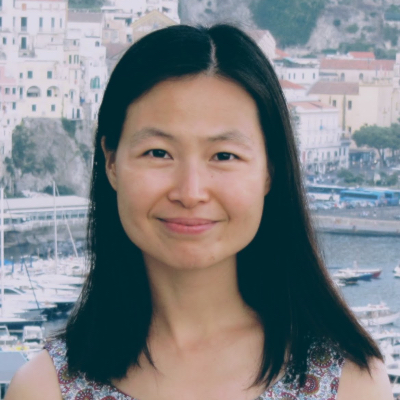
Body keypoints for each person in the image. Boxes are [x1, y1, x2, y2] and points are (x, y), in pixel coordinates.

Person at [6, 24, 392, 400]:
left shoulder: (347, 382)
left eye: (224, 155)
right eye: (158, 153)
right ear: (111, 163)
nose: (190, 192)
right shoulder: (45, 389)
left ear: (270, 171)